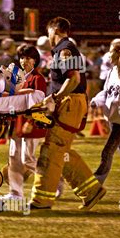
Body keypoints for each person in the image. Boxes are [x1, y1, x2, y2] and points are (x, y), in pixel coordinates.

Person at [30, 17, 106, 210]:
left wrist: (53, 97)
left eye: (48, 33)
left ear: (54, 30)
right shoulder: (66, 49)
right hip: (71, 103)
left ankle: (42, 200)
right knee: (60, 150)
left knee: (52, 150)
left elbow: (73, 79)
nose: (48, 37)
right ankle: (91, 190)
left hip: (69, 103)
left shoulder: (65, 50)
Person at [90, 39, 120, 201]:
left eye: (111, 51)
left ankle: (94, 188)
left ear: (119, 54)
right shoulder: (112, 72)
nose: (108, 54)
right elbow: (106, 92)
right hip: (112, 118)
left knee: (107, 151)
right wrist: (95, 101)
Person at [0, 45, 46, 201]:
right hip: (17, 123)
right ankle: (16, 193)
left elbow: (40, 103)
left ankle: (54, 178)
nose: (24, 61)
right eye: (22, 57)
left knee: (28, 159)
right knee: (13, 158)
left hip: (30, 123)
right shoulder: (18, 78)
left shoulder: (38, 79)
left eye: (28, 57)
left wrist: (31, 121)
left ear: (35, 60)